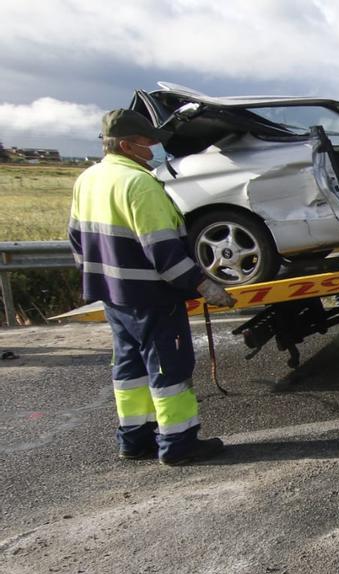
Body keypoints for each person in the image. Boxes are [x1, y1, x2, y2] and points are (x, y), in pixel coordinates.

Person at [68, 109, 238, 466]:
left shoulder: (88, 179)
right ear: (127, 145)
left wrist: (102, 278)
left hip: (115, 298)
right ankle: (178, 444)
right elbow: (163, 250)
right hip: (152, 298)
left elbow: (76, 238)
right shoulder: (139, 184)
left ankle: (134, 440)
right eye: (149, 144)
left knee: (129, 369)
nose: (155, 150)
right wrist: (202, 286)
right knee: (168, 370)